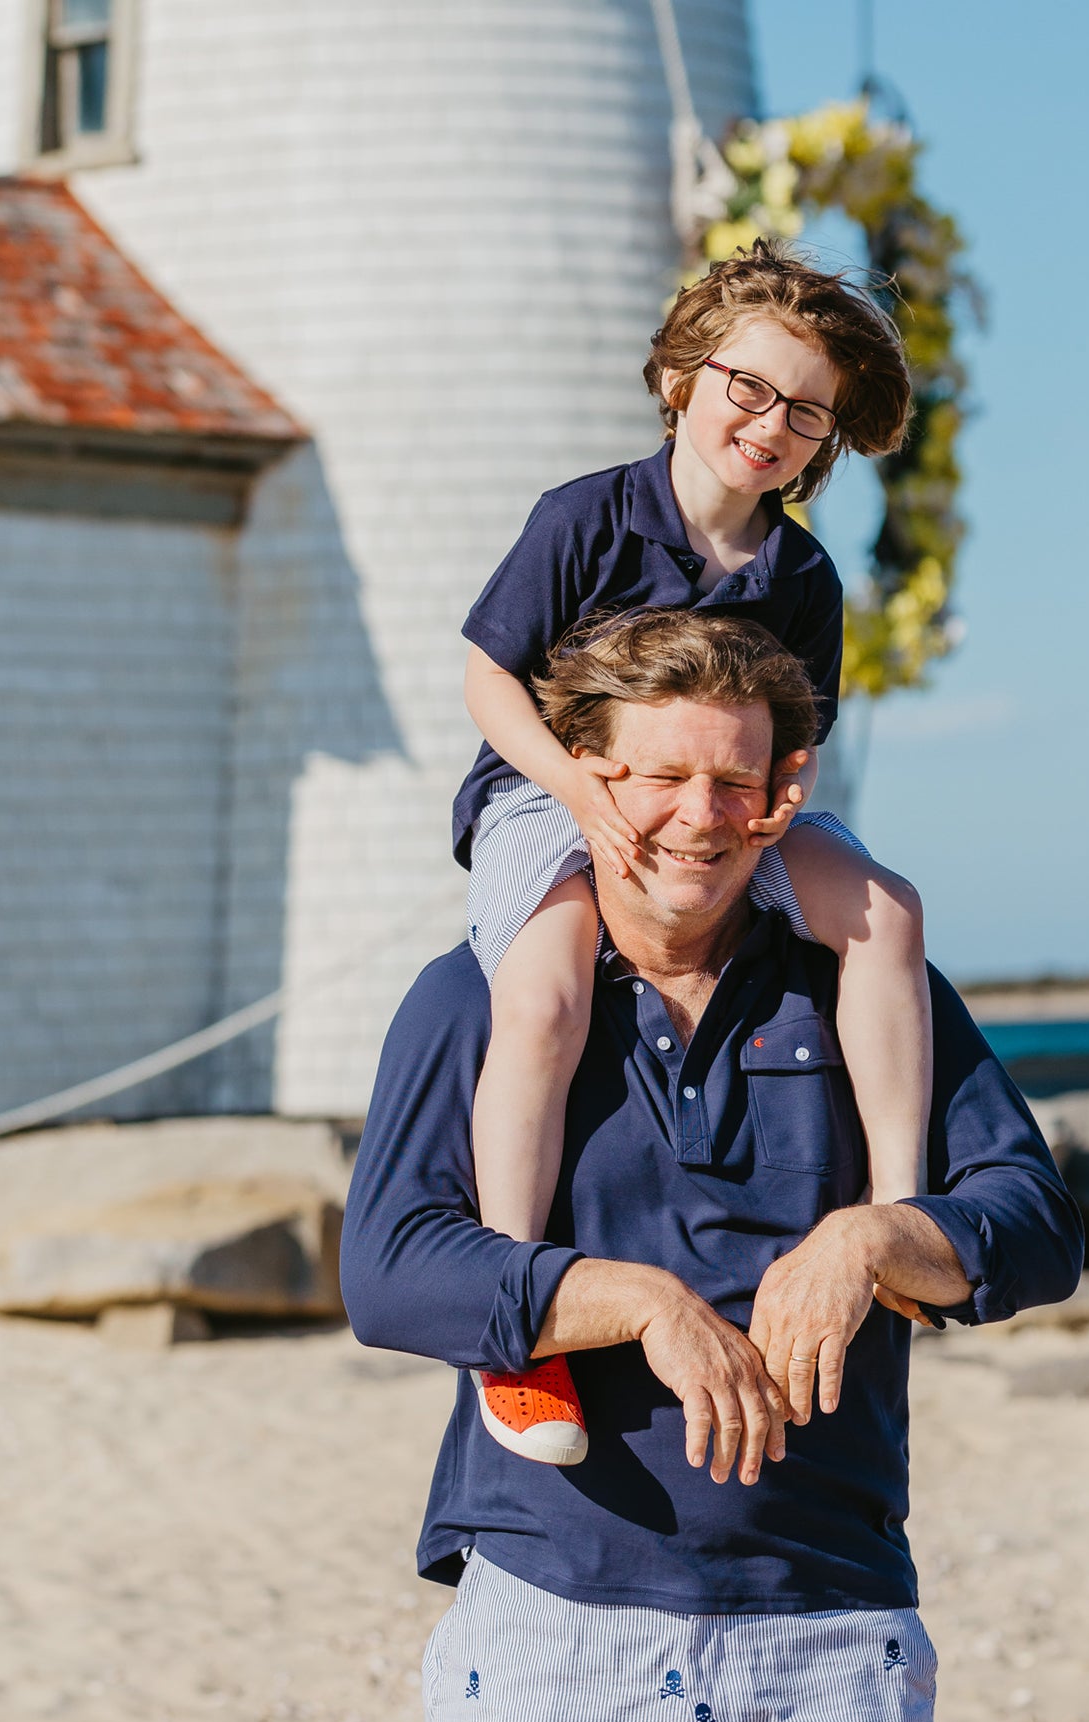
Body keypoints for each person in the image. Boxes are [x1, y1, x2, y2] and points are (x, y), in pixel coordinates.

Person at [341, 608, 1083, 1722]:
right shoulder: (480, 995)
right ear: (586, 781)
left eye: (736, 785)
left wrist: (883, 1230)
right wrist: (621, 1302)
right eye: (658, 778)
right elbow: (394, 1267)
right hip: (556, 1617)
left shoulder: (864, 986)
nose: (698, 819)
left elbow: (1029, 1224)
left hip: (828, 1621)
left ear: (785, 795)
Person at [455, 239, 934, 1464]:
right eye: (748, 388)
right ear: (684, 375)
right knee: (551, 984)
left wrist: (773, 813)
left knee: (885, 910)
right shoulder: (586, 517)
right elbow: (487, 679)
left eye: (806, 415)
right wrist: (583, 791)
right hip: (549, 790)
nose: (769, 425)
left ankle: (892, 1203)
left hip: (729, 809)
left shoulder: (804, 574)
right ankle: (516, 1331)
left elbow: (801, 743)